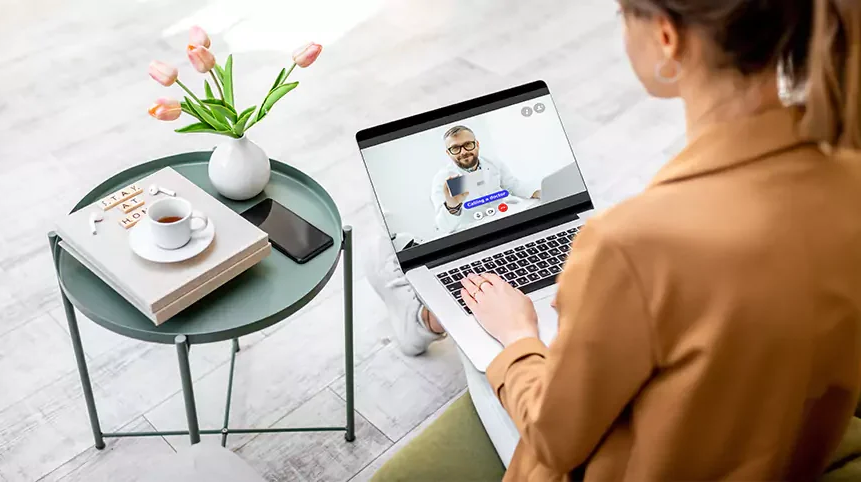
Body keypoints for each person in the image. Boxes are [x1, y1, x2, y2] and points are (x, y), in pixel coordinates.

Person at [369, 0, 861, 479]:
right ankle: (428, 313)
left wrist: (519, 337)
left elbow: (554, 437)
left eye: (622, 14)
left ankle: (424, 316)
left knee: (484, 349)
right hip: (774, 453)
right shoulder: (849, 182)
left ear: (666, 37)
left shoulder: (630, 245)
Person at [430, 126, 541, 234]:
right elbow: (444, 227)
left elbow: (513, 185)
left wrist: (538, 192)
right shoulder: (443, 179)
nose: (463, 152)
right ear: (448, 153)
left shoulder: (493, 163)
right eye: (455, 148)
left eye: (468, 144)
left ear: (477, 144)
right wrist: (452, 206)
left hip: (504, 221)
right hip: (474, 232)